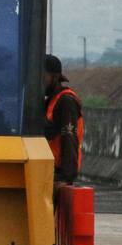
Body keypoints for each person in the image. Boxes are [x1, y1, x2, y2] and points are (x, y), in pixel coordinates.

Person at [43, 54, 83, 186]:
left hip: (59, 174)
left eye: (43, 76)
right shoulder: (49, 101)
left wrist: (66, 179)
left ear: (54, 77)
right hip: (48, 170)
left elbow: (69, 138)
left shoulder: (66, 101)